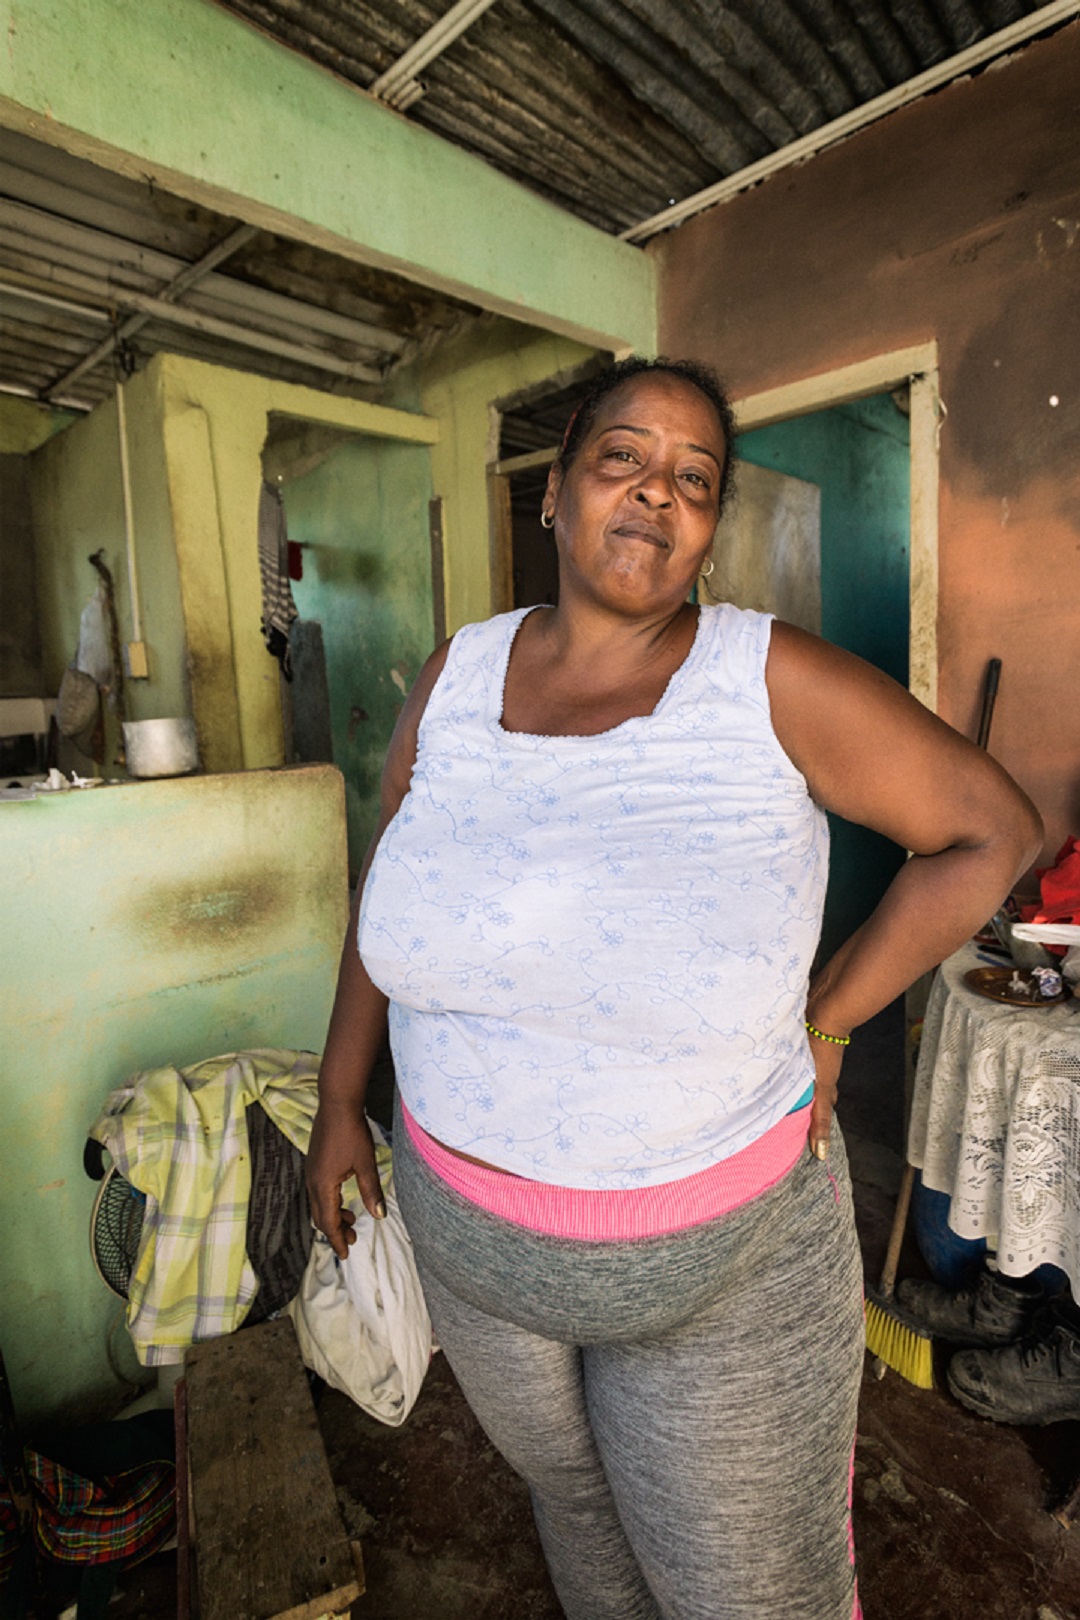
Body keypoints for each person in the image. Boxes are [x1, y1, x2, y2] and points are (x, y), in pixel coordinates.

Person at [306, 356, 1042, 1620]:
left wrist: (829, 1016)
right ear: (555, 492)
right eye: (624, 459)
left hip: (725, 1276)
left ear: (708, 529)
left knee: (750, 1596)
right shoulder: (454, 680)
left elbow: (991, 833)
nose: (656, 494)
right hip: (477, 1263)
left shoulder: (768, 682)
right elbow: (395, 890)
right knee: (579, 1522)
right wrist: (335, 1101)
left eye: (693, 480)